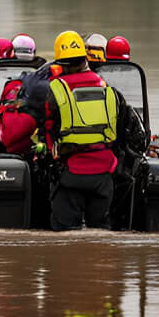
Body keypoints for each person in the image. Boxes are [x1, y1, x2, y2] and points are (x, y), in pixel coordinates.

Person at [39, 30, 123, 231]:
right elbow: (119, 128)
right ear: (85, 58)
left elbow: (48, 129)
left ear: (60, 63)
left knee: (65, 233)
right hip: (104, 173)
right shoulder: (106, 88)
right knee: (100, 231)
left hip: (72, 172)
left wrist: (46, 154)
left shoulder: (56, 89)